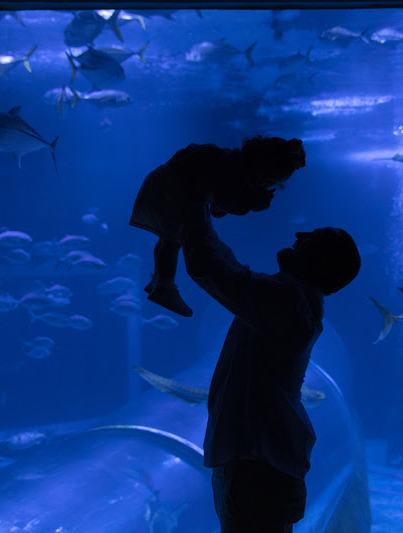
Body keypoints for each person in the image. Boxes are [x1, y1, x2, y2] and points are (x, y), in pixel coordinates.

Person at [181, 199, 362, 532]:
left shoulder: (287, 301)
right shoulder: (295, 300)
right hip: (262, 462)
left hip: (255, 464)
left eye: (313, 238)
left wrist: (191, 206)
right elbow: (232, 270)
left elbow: (211, 268)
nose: (299, 234)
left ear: (322, 264)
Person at [129, 136, 306, 318]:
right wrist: (253, 202)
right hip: (177, 194)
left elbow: (217, 205)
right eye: (268, 180)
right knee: (172, 243)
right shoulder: (235, 171)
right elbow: (225, 202)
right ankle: (165, 287)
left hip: (165, 185)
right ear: (263, 165)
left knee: (167, 240)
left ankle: (158, 279)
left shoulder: (227, 159)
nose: (265, 185)